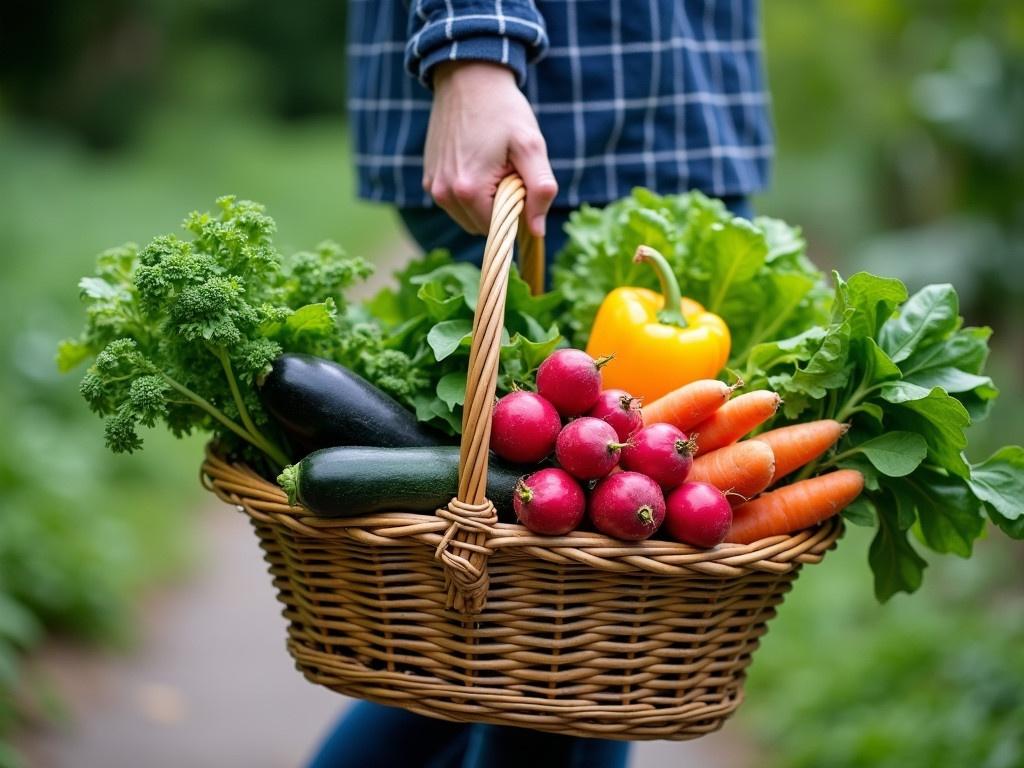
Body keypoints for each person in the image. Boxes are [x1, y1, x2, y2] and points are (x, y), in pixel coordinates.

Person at [309, 1, 773, 765]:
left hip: (695, 106)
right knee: (561, 660)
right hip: (556, 110)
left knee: (513, 659)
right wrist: (473, 47)